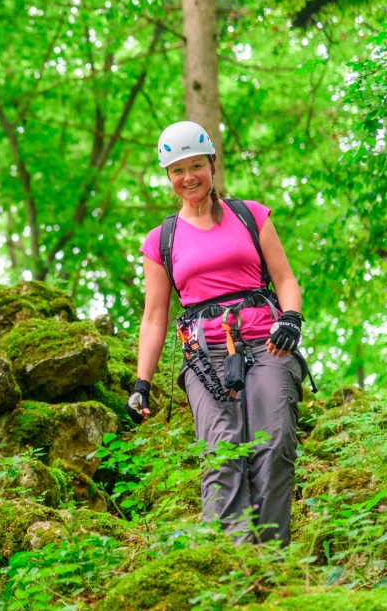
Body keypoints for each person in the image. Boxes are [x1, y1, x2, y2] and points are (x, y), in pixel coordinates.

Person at [127, 120, 307, 545]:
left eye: (196, 166)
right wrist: (142, 383)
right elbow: (154, 316)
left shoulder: (250, 215)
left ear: (212, 165)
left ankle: (272, 557)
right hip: (204, 354)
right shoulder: (161, 240)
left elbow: (284, 279)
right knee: (223, 452)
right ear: (168, 176)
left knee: (275, 441)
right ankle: (236, 561)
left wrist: (291, 317)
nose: (188, 177)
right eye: (177, 170)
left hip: (267, 342)